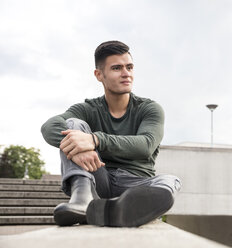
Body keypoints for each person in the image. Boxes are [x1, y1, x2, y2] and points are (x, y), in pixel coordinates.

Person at [41, 40, 181, 227]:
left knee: (170, 181)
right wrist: (80, 149)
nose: (126, 74)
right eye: (117, 68)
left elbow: (145, 145)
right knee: (73, 125)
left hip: (134, 184)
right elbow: (49, 126)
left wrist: (95, 140)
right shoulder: (89, 108)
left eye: (129, 67)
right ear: (99, 75)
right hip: (97, 177)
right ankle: (83, 199)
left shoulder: (150, 109)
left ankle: (123, 208)